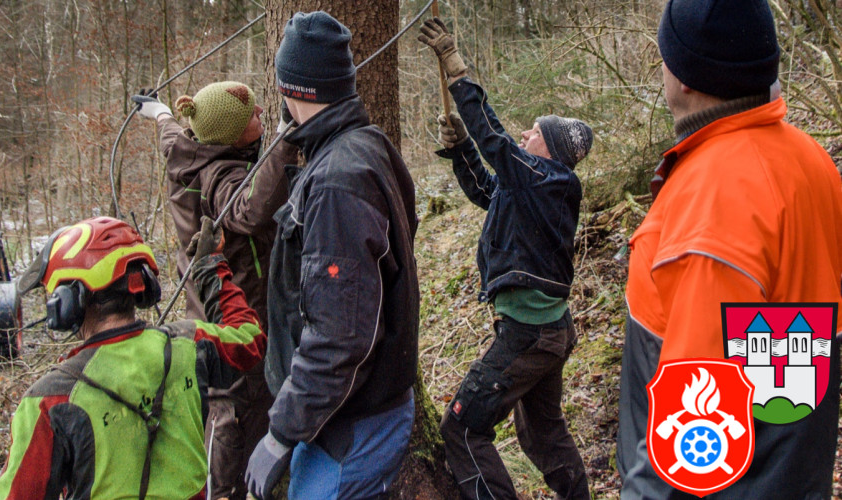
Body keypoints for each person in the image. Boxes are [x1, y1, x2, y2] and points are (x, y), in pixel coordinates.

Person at [616, 0, 842, 498]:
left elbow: (689, 447)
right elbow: (783, 373)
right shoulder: (810, 162)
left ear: (687, 77)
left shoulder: (714, 204)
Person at [243, 11, 420, 500]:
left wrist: (281, 432)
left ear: (293, 90)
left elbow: (340, 335)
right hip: (345, 413)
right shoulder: (366, 145)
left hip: (353, 424)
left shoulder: (339, 180)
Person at [419, 17, 593, 500]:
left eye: (535, 132)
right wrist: (459, 151)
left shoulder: (549, 180)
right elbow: (486, 189)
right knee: (543, 435)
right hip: (547, 332)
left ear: (551, 152)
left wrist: (457, 71)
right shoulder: (531, 187)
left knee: (462, 430)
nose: (525, 133)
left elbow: (494, 139)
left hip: (532, 334)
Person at [0, 216, 266, 499]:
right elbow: (250, 338)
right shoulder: (189, 344)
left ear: (70, 298)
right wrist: (211, 268)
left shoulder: (49, 399)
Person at [132, 82, 298, 499]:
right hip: (232, 308)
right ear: (228, 136)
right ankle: (226, 490)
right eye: (252, 116)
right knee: (235, 407)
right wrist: (283, 135)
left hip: (205, 304)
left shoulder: (188, 151)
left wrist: (159, 112)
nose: (260, 111)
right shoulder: (222, 176)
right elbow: (250, 209)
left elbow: (173, 135)